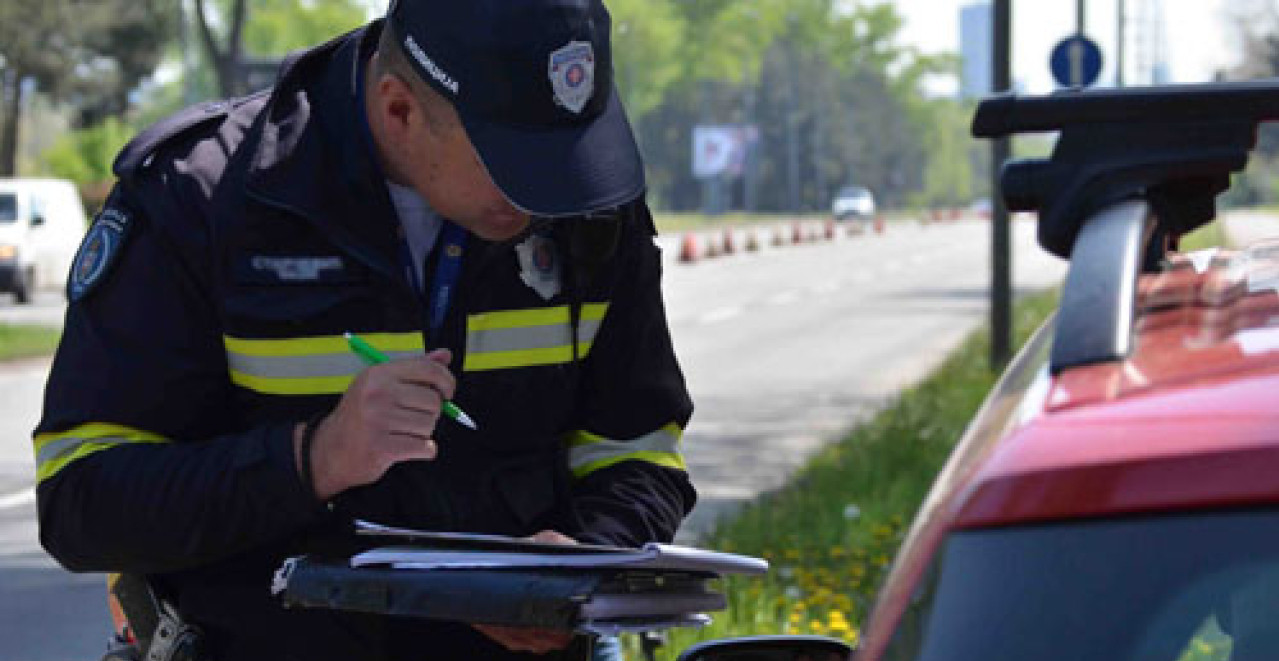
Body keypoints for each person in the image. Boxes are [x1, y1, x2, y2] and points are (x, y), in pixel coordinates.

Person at [33, 1, 696, 659]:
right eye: (516, 160)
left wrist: (585, 563)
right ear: (399, 109)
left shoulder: (584, 198)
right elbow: (82, 502)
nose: (551, 191)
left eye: (569, 152)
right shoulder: (199, 200)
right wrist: (311, 458)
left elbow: (637, 447)